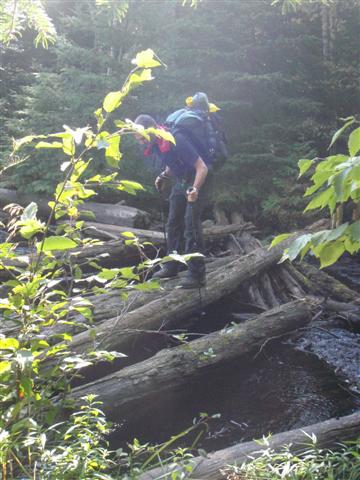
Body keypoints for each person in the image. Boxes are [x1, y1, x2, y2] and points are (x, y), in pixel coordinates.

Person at [134, 113, 209, 289]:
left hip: (198, 179)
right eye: (138, 139)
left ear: (151, 131)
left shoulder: (177, 139)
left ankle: (197, 275)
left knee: (191, 226)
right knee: (173, 223)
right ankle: (171, 265)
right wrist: (164, 175)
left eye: (142, 138)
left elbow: (202, 167)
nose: (141, 142)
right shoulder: (158, 143)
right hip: (180, 179)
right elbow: (175, 160)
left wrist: (195, 190)